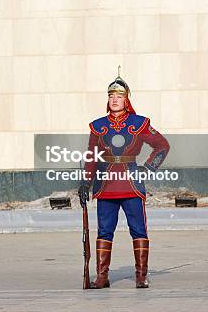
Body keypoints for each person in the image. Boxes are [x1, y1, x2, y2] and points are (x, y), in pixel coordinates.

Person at [78, 70, 169, 289]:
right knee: (104, 231)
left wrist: (147, 168)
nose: (114, 100)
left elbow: (162, 146)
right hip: (106, 183)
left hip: (131, 182)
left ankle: (140, 276)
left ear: (126, 99)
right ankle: (102, 277)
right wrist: (85, 183)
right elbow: (92, 156)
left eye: (119, 96)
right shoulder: (98, 126)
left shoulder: (139, 123)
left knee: (138, 229)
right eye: (111, 96)